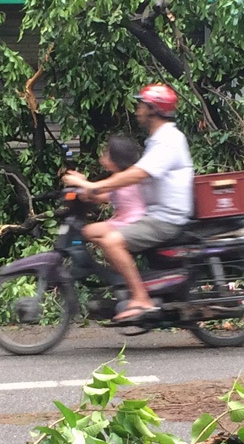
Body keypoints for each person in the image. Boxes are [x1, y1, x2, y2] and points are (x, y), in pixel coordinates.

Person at [63, 84, 194, 324]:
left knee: (112, 241)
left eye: (141, 105)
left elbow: (137, 174)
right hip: (156, 214)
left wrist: (94, 186)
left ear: (153, 109)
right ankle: (124, 286)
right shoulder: (157, 140)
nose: (137, 109)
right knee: (99, 235)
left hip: (165, 218)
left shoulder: (168, 140)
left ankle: (141, 298)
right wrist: (92, 191)